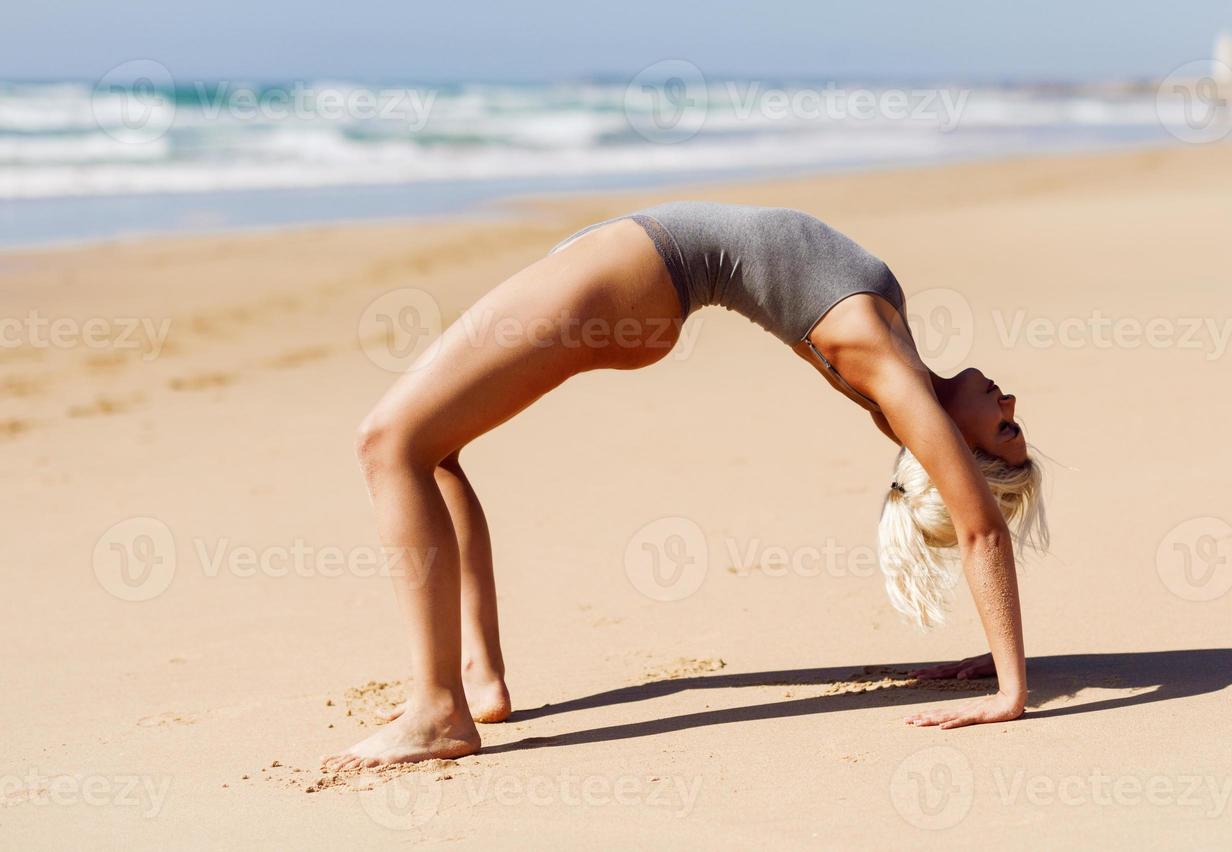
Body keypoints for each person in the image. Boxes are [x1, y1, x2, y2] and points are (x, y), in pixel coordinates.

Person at [323, 201, 1047, 772]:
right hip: (634, 271)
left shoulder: (885, 366)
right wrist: (995, 651)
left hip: (634, 275)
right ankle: (478, 680)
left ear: (950, 450)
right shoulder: (898, 360)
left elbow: (979, 525)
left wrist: (1009, 692)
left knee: (386, 444)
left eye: (1003, 431)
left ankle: (437, 711)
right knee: (434, 447)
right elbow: (970, 512)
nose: (1010, 405)